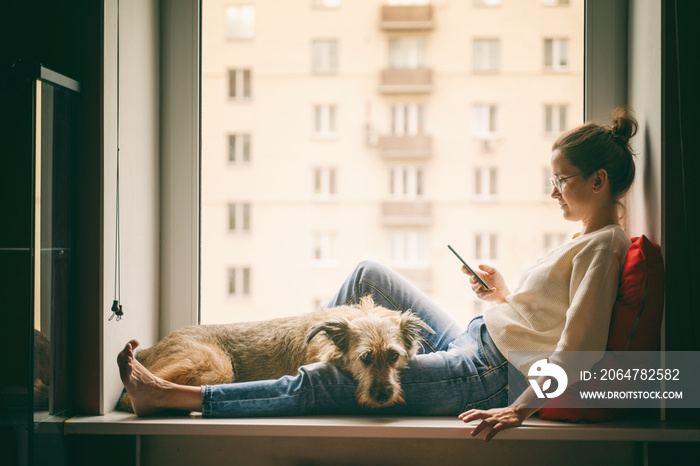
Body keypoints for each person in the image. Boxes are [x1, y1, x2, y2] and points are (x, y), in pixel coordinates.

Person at [118, 107, 639, 441]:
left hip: (490, 377)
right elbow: (544, 320)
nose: (553, 191)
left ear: (597, 181)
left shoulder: (604, 246)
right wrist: (501, 296)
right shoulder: (584, 240)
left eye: (561, 180)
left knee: (331, 382)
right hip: (479, 339)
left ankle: (172, 395)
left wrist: (521, 409)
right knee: (370, 274)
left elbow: (580, 348)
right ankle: (328, 347)